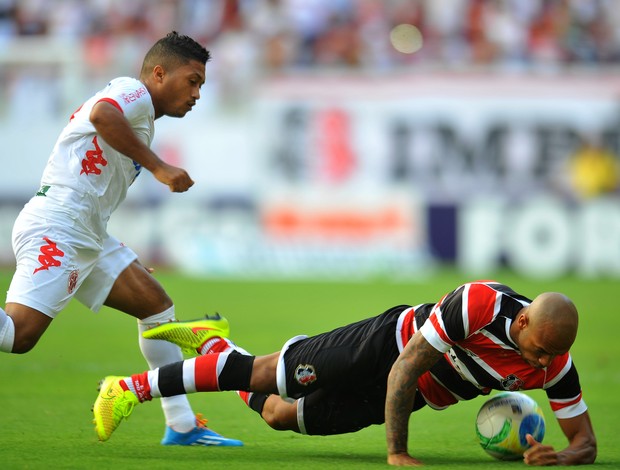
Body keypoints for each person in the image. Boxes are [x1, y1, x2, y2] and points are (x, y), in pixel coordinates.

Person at [0, 31, 242, 447]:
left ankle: (182, 425)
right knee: (17, 335)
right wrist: (160, 168)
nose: (197, 94)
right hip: (59, 226)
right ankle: (182, 425)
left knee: (156, 306)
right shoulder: (133, 93)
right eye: (192, 81)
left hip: (87, 234)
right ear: (159, 73)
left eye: (201, 84)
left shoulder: (141, 117)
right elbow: (102, 116)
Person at [93, 280, 597, 465]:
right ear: (523, 321)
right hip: (384, 347)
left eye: (552, 356)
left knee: (280, 416)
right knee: (269, 376)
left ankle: (213, 342)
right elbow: (404, 368)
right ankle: (129, 388)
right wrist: (397, 452)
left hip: (415, 392)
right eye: (539, 350)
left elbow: (586, 442)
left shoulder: (555, 362)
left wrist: (563, 457)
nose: (542, 363)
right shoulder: (478, 304)